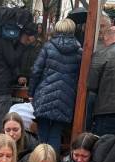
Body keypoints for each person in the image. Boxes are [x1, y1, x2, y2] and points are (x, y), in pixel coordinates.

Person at [29, 18, 82, 154]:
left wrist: (31, 92)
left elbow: (36, 70)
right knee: (56, 134)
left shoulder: (48, 46)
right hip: (66, 97)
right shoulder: (79, 51)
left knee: (42, 133)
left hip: (45, 94)